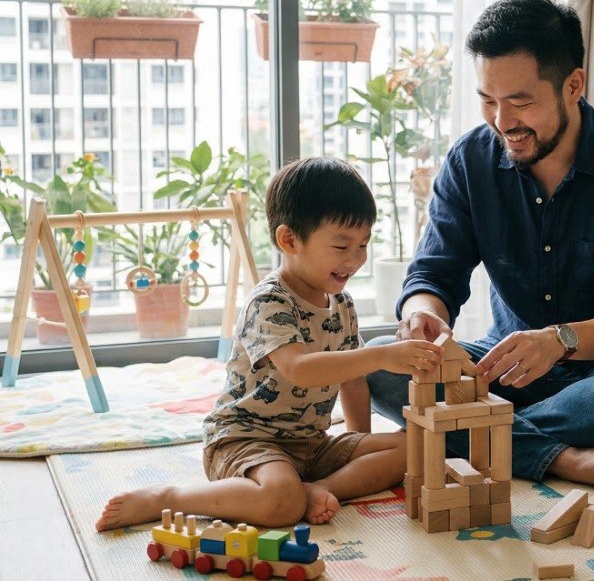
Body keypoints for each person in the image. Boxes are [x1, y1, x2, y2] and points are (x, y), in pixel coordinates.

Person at [366, 0, 594, 498]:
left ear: (573, 85)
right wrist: (420, 314)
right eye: (488, 100)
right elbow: (433, 272)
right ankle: (561, 456)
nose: (502, 121)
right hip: (502, 370)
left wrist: (559, 340)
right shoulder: (469, 161)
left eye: (520, 101)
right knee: (375, 361)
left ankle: (476, 435)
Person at [96, 158, 437, 531]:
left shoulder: (343, 305)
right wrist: (382, 355)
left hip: (310, 443)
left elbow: (352, 380)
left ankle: (316, 489)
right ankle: (169, 498)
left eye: (363, 245)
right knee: (280, 503)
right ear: (289, 240)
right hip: (245, 439)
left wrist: (357, 442)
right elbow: (299, 368)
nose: (355, 259)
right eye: (342, 246)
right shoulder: (270, 301)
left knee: (413, 447)